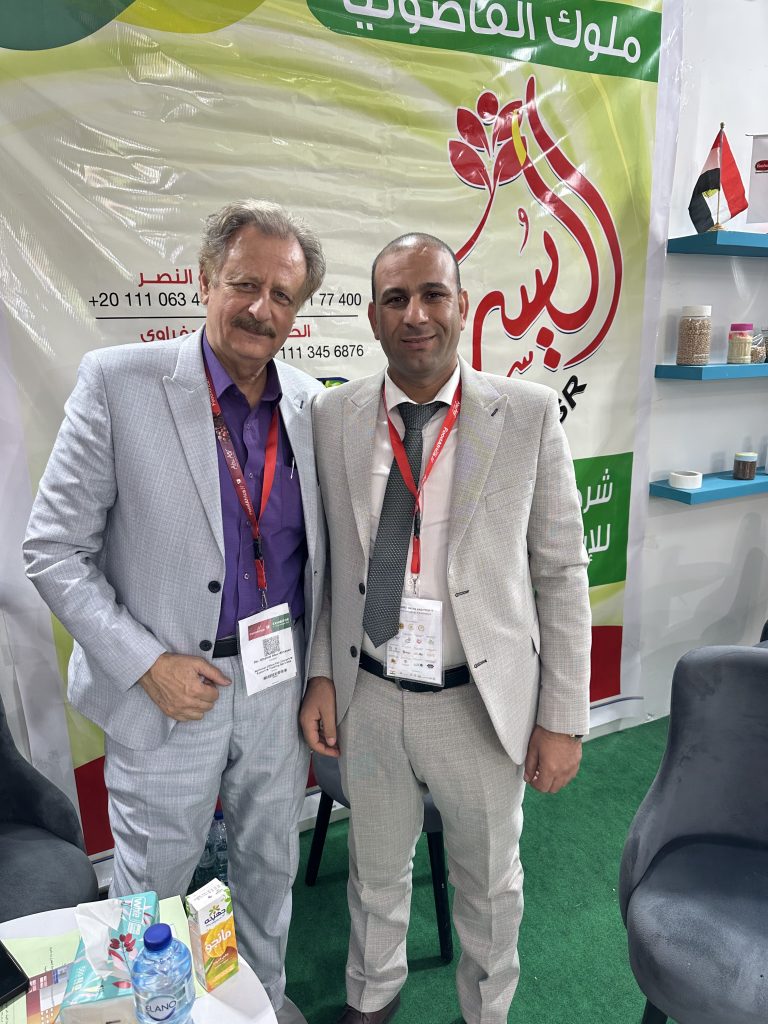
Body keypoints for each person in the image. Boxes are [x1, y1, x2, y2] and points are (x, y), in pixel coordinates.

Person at [24, 200, 328, 1024]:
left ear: (298, 310)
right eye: (244, 284)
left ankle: (262, 1003)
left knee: (268, 868)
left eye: (283, 295)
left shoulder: (311, 404)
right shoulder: (119, 382)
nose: (261, 308)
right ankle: (142, 1013)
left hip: (276, 681)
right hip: (167, 691)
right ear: (204, 281)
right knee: (149, 893)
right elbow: (52, 548)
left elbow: (321, 563)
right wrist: (146, 664)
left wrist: (320, 675)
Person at [300, 233, 591, 1024]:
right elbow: (329, 566)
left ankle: (486, 1011)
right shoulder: (332, 415)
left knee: (489, 885)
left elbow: (562, 573)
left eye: (433, 294)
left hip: (478, 704)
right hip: (369, 694)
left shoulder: (526, 414)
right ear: (372, 316)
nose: (415, 315)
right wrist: (323, 672)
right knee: (374, 873)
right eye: (395, 299)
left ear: (462, 306)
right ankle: (372, 996)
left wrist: (563, 717)